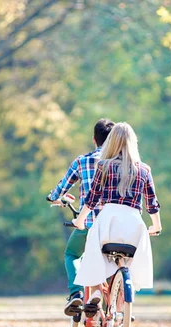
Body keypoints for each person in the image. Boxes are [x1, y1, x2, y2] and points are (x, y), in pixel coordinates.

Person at [71, 122, 162, 309]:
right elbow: (152, 203)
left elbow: (92, 198)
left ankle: (96, 291)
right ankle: (120, 311)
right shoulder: (144, 169)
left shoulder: (104, 166)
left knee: (93, 251)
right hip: (134, 226)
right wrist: (156, 226)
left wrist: (79, 221)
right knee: (128, 263)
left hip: (108, 222)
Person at [46, 118, 114, 316]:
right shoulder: (123, 164)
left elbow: (59, 189)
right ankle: (115, 303)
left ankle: (76, 293)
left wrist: (55, 198)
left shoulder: (82, 161)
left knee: (72, 254)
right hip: (115, 225)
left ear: (94, 139)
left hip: (89, 223)